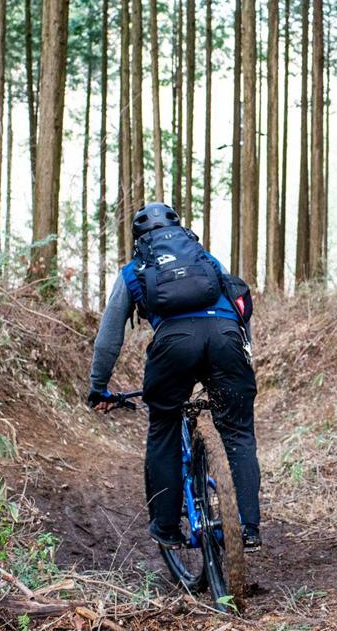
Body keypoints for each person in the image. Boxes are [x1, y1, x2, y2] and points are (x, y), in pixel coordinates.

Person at [88, 202, 263, 551]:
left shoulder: (134, 269)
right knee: (238, 430)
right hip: (226, 339)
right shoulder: (205, 258)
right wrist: (244, 353)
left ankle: (166, 527)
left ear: (138, 238)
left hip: (173, 346)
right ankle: (249, 527)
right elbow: (238, 300)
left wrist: (99, 386)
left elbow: (110, 336)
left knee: (164, 425)